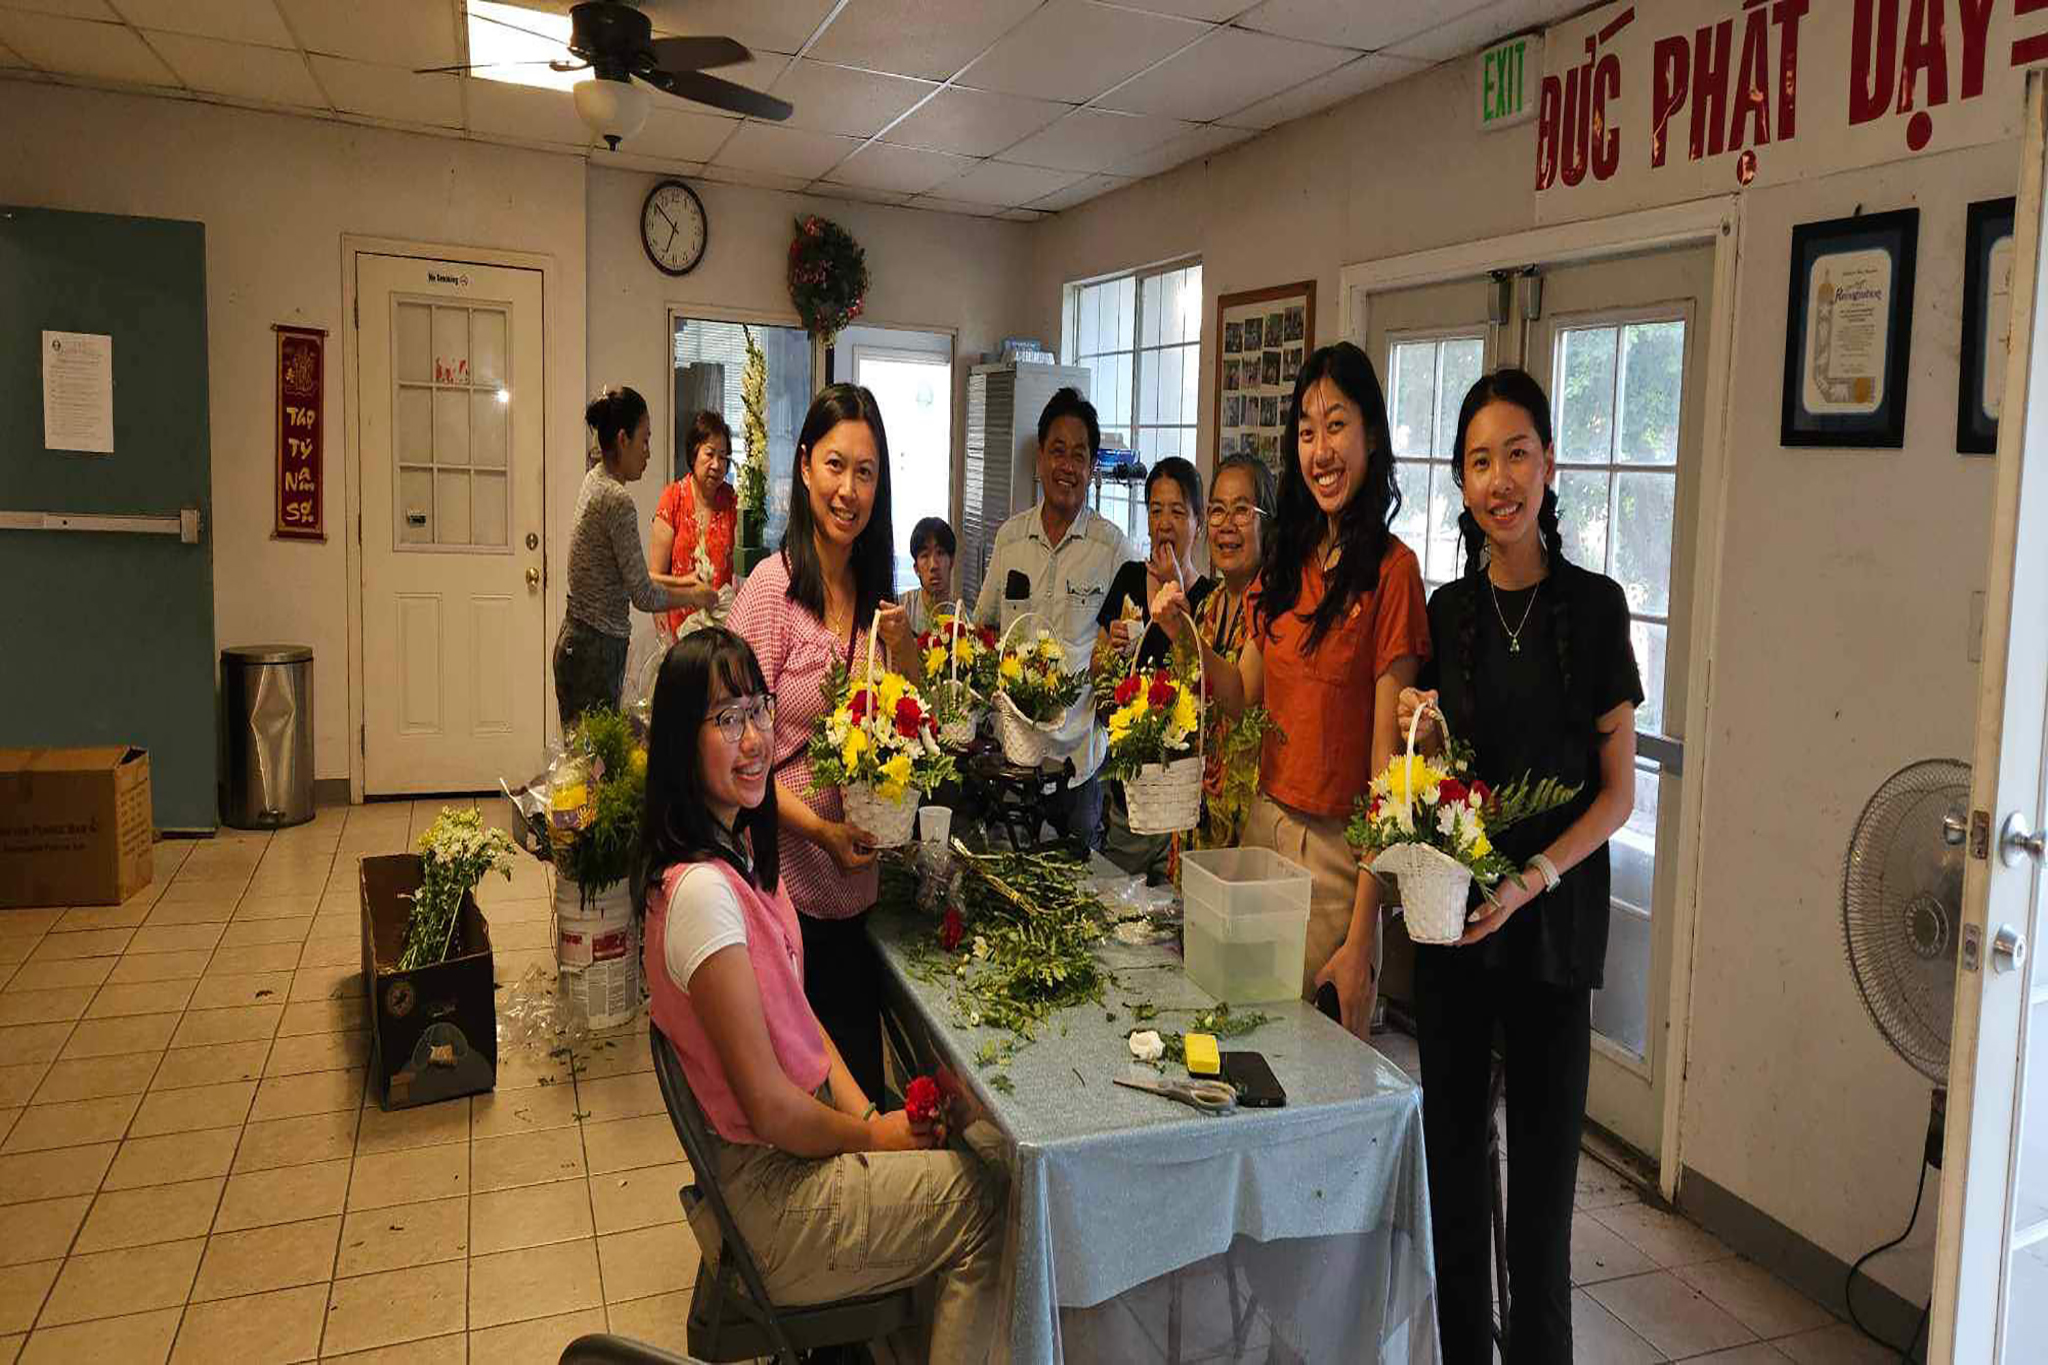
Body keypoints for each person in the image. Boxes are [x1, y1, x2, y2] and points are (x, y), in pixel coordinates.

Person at [636, 627, 1001, 1364]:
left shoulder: (736, 852)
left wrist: (870, 1117)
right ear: (680, 741)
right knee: (987, 1204)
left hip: (782, 1160)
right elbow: (771, 1108)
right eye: (725, 718)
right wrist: (872, 1140)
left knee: (952, 1140)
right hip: (771, 1198)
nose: (753, 739)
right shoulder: (702, 894)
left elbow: (799, 1020)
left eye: (758, 710)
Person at [1396, 369, 1642, 1362]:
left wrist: (1531, 877)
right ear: (1461, 483)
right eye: (1478, 461)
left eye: (1515, 455)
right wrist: (1421, 741)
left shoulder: (1594, 608)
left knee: (1538, 1223)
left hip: (1549, 934)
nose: (1498, 479)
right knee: (1454, 1197)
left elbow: (1615, 795)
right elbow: (1439, 775)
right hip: (1455, 932)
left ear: (1549, 467)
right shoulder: (1447, 612)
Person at [1155, 343, 1428, 1038]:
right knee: (1240, 1042)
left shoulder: (1393, 572)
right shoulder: (1287, 563)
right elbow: (1239, 693)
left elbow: (1387, 774)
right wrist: (1186, 634)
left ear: (1371, 436)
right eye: (1307, 432)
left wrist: (1364, 934)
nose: (1321, 451)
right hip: (1263, 829)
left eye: (1336, 426)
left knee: (1307, 1061)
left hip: (1339, 861)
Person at [729, 383, 916, 1102]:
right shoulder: (771, 593)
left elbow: (907, 722)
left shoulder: (876, 595)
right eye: (835, 465)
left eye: (865, 472)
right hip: (786, 882)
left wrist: (905, 650)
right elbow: (738, 761)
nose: (848, 490)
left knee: (858, 1074)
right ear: (805, 466)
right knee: (803, 1085)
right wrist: (821, 831)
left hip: (855, 882)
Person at [973, 387, 1135, 847]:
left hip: (1077, 763)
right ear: (1040, 457)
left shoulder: (1112, 549)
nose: (1067, 465)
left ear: (1092, 466)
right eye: (1057, 451)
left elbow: (1132, 638)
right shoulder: (1010, 539)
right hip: (1013, 756)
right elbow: (984, 628)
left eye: (1079, 455)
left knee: (1080, 874)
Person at [555, 386, 716, 729]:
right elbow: (643, 595)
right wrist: (696, 595)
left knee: (588, 754)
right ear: (623, 439)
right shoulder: (616, 500)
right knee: (592, 757)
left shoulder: (595, 479)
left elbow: (631, 576)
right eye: (644, 440)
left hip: (581, 645)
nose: (648, 452)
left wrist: (683, 581)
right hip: (594, 653)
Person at [1093, 457, 1211, 878]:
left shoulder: (1210, 599)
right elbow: (1096, 673)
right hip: (1131, 799)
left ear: (1198, 522)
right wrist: (1110, 656)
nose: (1164, 523)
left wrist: (1176, 589)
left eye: (1178, 511)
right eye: (1156, 510)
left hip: (1185, 805)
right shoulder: (1128, 579)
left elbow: (1207, 686)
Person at [1189, 453, 1275, 852]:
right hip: (1197, 813)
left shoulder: (1276, 606)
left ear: (1266, 523)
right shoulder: (1208, 605)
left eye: (1242, 510)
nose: (1226, 525)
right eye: (1217, 510)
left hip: (1251, 822)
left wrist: (1182, 636)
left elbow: (1242, 702)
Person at [649, 408, 737, 643]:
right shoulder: (673, 498)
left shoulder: (732, 501)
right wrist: (663, 628)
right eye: (710, 454)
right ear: (694, 453)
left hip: (721, 631)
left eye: (723, 457)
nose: (716, 464)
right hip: (678, 630)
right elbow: (655, 577)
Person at [899, 516, 956, 635]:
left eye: (940, 553)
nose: (933, 565)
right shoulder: (900, 609)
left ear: (951, 562)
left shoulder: (961, 620)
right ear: (916, 568)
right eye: (925, 555)